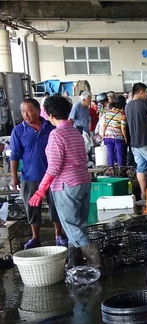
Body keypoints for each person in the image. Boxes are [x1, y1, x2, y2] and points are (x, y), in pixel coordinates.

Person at [28, 96, 101, 269]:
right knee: (77, 225)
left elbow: (53, 167)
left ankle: (96, 261)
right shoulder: (74, 132)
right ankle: (74, 263)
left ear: (50, 114)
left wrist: (40, 190)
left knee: (72, 226)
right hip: (83, 182)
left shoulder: (56, 134)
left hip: (66, 185)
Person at [9, 98, 66, 249]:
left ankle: (58, 234)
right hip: (30, 176)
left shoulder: (50, 126)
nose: (25, 114)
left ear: (38, 110)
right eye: (22, 111)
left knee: (56, 205)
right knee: (32, 207)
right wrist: (14, 176)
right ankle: (35, 237)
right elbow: (14, 154)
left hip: (53, 176)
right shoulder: (18, 131)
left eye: (28, 110)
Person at [100, 98, 128, 176]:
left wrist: (103, 136)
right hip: (118, 136)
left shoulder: (107, 114)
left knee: (110, 153)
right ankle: (120, 170)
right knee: (119, 153)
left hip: (108, 136)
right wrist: (125, 137)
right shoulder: (121, 115)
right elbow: (123, 127)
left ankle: (110, 169)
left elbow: (104, 126)